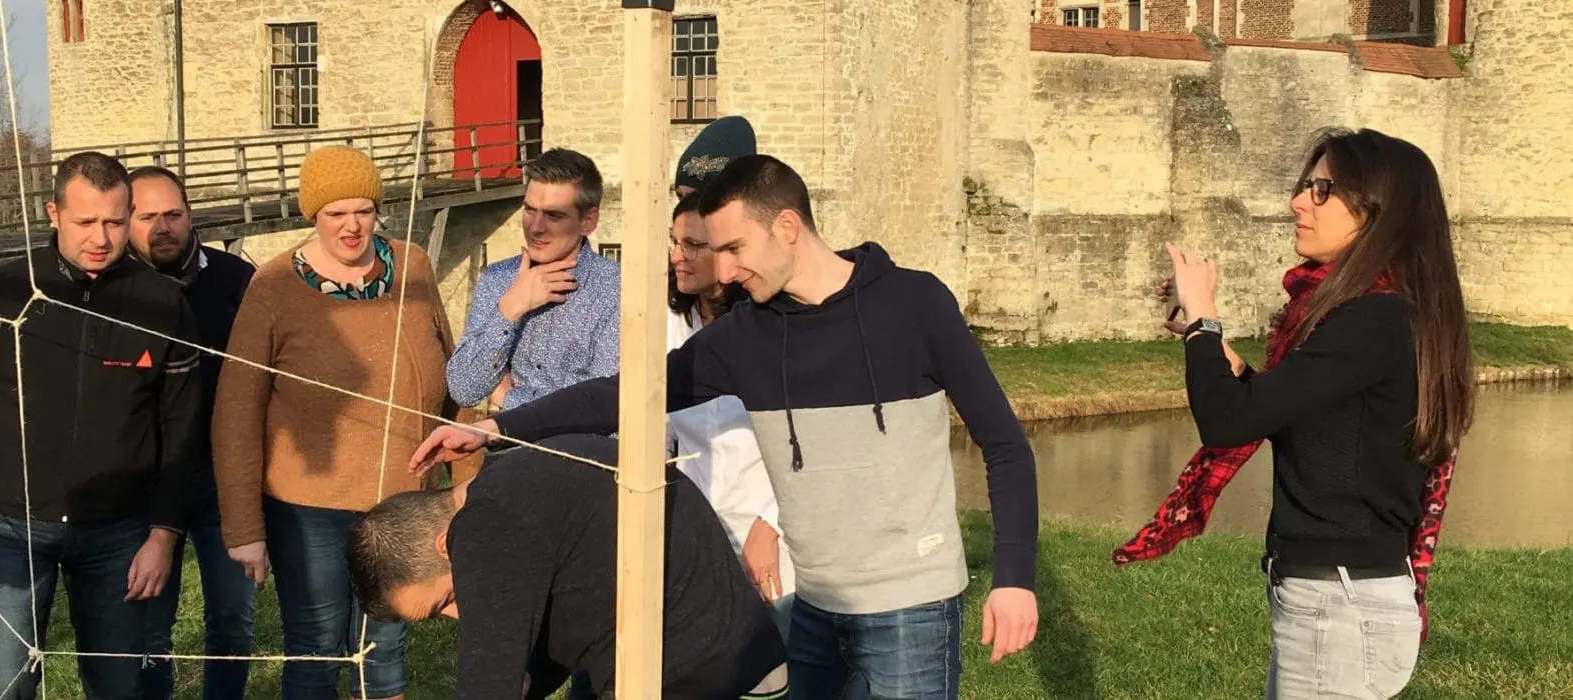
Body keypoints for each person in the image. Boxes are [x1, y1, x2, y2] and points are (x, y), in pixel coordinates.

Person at [409, 154, 1042, 699]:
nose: (728, 271)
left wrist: (1013, 579)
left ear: (787, 227)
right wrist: (499, 427)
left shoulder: (915, 304)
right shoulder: (748, 335)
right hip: (814, 605)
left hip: (909, 605)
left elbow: (1005, 446)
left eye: (736, 249)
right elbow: (630, 396)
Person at [1114, 127, 1473, 699]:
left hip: (1340, 604)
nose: (1298, 202)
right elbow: (1291, 420)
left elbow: (1228, 424)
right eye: (1307, 185)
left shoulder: (1373, 319)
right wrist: (1217, 352)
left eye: (1323, 190)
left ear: (1378, 211)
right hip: (1335, 598)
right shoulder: (1378, 314)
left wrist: (1205, 315)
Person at [0, 151, 204, 700]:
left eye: (115, 222)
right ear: (53, 214)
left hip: (119, 531)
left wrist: (164, 533)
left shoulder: (162, 303)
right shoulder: (1, 294)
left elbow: (181, 430)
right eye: (85, 221)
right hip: (11, 525)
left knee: (118, 687)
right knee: (4, 686)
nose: (101, 237)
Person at [211, 145, 475, 700]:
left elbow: (457, 374)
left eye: (363, 210)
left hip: (402, 499)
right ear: (314, 215)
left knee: (384, 647)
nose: (352, 226)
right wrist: (244, 528)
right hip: (309, 509)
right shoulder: (274, 286)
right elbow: (236, 409)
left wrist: (468, 486)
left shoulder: (413, 265)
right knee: (317, 646)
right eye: (336, 213)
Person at [348, 434, 788, 700]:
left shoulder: (483, 528)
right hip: (727, 656)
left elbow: (488, 686)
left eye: (445, 600)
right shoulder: (511, 491)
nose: (458, 615)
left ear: (445, 543)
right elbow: (555, 634)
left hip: (707, 673)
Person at [125, 165, 259, 700]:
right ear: (126, 220)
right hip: (145, 482)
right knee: (148, 624)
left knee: (232, 619)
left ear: (190, 214)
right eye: (147, 217)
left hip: (224, 478)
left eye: (173, 214)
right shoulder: (111, 288)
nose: (163, 227)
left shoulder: (236, 280)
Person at [664, 191, 795, 637]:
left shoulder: (773, 329)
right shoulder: (667, 325)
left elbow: (809, 440)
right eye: (674, 242)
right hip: (695, 535)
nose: (677, 257)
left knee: (781, 654)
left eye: (693, 246)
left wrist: (771, 524)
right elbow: (655, 428)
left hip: (772, 538)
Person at [445, 148, 621, 415]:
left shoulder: (615, 289)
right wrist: (509, 310)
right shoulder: (498, 278)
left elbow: (602, 408)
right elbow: (463, 389)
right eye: (529, 210)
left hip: (579, 443)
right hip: (503, 442)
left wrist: (509, 398)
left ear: (588, 221)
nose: (536, 227)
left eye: (554, 215)